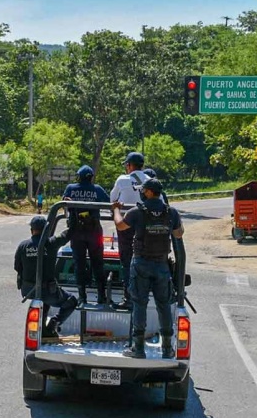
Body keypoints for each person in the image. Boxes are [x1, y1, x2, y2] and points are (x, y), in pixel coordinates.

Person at [112, 178, 184, 359]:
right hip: (161, 265)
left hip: (141, 264)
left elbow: (120, 226)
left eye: (143, 191)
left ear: (150, 192)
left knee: (139, 304)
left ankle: (138, 348)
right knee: (164, 305)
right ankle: (167, 348)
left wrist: (116, 210)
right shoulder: (171, 212)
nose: (141, 193)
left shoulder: (137, 212)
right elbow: (178, 233)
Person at [14, 216, 78, 337]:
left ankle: (43, 330)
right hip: (48, 291)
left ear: (31, 230)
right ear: (46, 230)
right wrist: (72, 215)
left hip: (28, 290)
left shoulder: (23, 245)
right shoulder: (51, 243)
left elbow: (17, 267)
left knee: (45, 302)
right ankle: (54, 323)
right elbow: (69, 233)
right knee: (71, 301)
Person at [63, 165, 110, 304]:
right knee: (98, 263)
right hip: (94, 231)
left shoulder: (71, 188)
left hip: (76, 231)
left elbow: (64, 203)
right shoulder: (98, 189)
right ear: (91, 177)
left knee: (79, 263)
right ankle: (101, 296)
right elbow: (108, 203)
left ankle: (82, 297)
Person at [110, 152, 149, 309]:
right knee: (144, 260)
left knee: (127, 261)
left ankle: (128, 298)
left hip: (126, 225)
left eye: (127, 165)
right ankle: (143, 296)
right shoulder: (150, 181)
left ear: (130, 166)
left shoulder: (122, 179)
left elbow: (113, 199)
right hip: (146, 227)